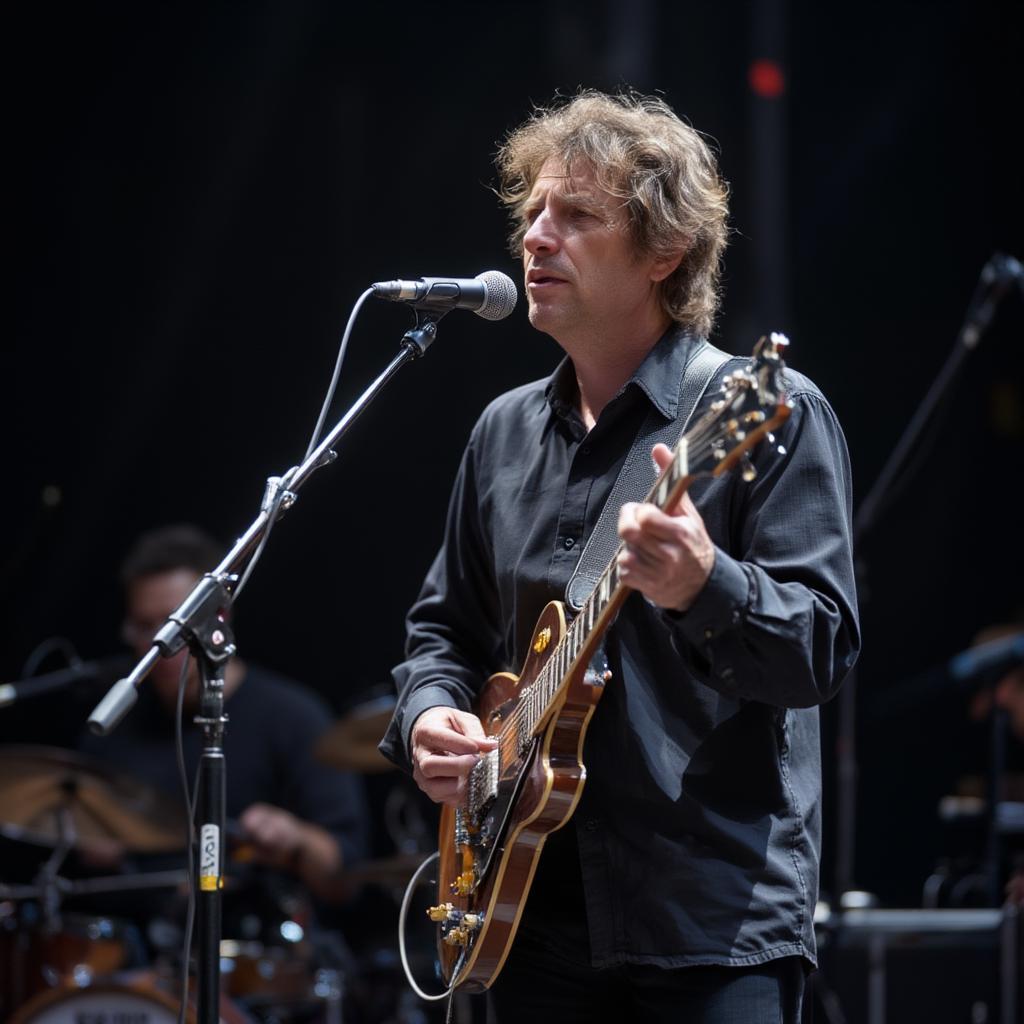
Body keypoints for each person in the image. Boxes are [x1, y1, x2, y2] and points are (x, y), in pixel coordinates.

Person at [378, 91, 860, 1021]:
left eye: (578, 217)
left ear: (665, 254)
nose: (536, 239)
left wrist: (701, 585)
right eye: (532, 215)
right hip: (525, 917)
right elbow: (443, 631)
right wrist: (431, 716)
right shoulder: (503, 432)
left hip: (707, 923)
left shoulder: (768, 409)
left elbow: (823, 648)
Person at [79, 523, 368, 900]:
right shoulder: (118, 724)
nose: (158, 645)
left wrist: (296, 838)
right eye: (143, 627)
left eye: (172, 626)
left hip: (260, 940)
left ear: (218, 618)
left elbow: (347, 874)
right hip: (148, 944)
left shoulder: (292, 716)